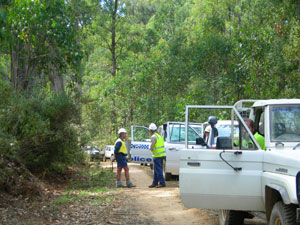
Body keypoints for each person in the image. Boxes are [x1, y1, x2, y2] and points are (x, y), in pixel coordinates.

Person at [148, 123, 166, 188]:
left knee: (158, 170)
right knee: (156, 170)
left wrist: (149, 148)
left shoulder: (153, 137)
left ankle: (162, 183)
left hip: (157, 155)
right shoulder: (159, 136)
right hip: (161, 155)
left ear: (151, 130)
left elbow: (151, 147)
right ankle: (154, 183)